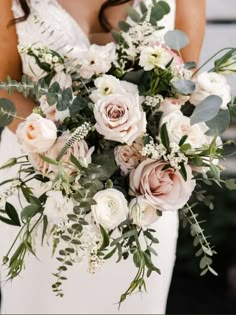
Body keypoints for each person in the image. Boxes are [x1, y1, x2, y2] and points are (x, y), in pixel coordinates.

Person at [0, 0, 206, 313]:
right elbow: (4, 84)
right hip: (37, 184)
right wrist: (56, 144)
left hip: (142, 195)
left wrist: (138, 148)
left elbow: (186, 85)